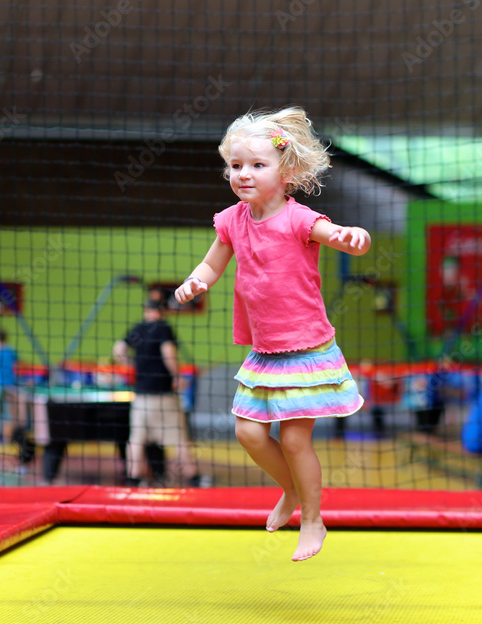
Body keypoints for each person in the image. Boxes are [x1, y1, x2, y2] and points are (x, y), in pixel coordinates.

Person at [175, 107, 371, 562]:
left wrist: (351, 235)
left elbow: (333, 233)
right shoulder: (231, 220)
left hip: (305, 346)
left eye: (257, 165)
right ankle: (290, 490)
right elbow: (212, 263)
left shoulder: (299, 219)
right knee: (248, 433)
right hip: (265, 351)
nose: (244, 174)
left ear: (286, 173)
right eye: (236, 166)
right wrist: (196, 281)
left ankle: (313, 518)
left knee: (296, 439)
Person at [112, 299, 206, 487]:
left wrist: (132, 366)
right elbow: (168, 352)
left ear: (146, 309)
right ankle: (193, 477)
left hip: (141, 395)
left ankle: (134, 478)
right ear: (162, 311)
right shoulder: (163, 328)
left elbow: (118, 349)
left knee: (137, 438)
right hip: (162, 394)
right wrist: (177, 376)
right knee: (179, 437)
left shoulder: (138, 328)